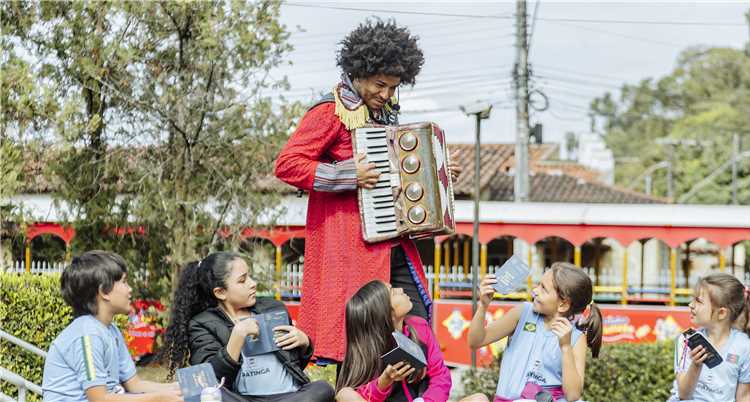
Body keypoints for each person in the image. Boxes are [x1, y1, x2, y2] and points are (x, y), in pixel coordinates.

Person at [274, 18, 461, 363]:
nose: (386, 94)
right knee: (365, 345)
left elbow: (396, 173)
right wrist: (347, 174)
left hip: (394, 244)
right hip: (352, 247)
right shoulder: (329, 111)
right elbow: (287, 164)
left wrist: (437, 177)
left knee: (416, 332)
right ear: (358, 73)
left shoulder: (384, 114)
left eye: (393, 87)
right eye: (380, 85)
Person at [161, 251, 334, 402]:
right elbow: (210, 381)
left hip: (290, 396)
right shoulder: (202, 324)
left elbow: (292, 365)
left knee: (323, 389)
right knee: (206, 394)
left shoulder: (273, 308)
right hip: (242, 399)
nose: (252, 283)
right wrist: (237, 336)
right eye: (242, 280)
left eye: (250, 276)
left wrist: (304, 343)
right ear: (220, 292)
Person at [42, 251, 182, 402]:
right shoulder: (87, 335)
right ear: (104, 292)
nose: (130, 289)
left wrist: (177, 389)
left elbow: (135, 385)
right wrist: (159, 399)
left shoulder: (111, 330)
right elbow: (99, 399)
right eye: (124, 282)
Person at [467, 262, 603, 402]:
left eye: (543, 289)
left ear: (563, 304)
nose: (535, 291)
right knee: (477, 399)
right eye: (539, 284)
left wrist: (566, 347)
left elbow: (573, 395)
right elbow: (476, 341)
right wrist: (483, 305)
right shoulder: (522, 313)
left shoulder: (576, 338)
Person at [335, 280, 487, 402]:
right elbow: (357, 394)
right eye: (393, 292)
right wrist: (384, 381)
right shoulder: (368, 349)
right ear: (385, 312)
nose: (400, 290)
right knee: (345, 394)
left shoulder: (420, 328)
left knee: (479, 399)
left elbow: (441, 376)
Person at [667, 273, 750, 402]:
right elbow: (684, 394)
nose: (691, 305)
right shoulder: (684, 341)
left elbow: (744, 397)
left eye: (698, 301)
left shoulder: (744, 347)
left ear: (721, 313)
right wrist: (696, 365)